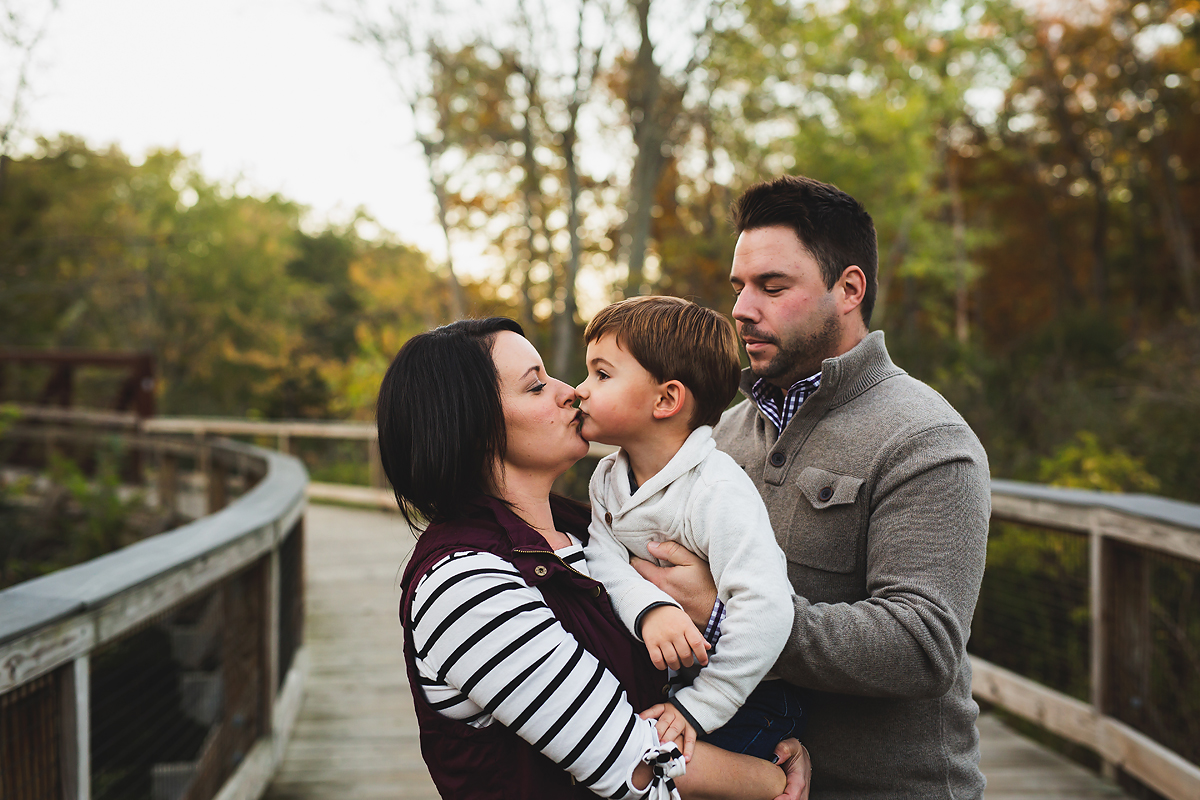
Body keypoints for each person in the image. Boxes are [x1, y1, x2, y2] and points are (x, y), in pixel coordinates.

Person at [631, 175, 991, 799]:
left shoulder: (927, 438)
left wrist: (726, 619)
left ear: (849, 288)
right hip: (744, 780)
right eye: (738, 287)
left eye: (772, 287)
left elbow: (923, 644)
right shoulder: (716, 435)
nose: (742, 308)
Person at [376, 317, 811, 800]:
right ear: (473, 427)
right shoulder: (463, 582)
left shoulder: (593, 526)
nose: (571, 392)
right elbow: (634, 768)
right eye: (536, 386)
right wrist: (771, 777)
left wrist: (762, 734)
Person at [574, 295, 803, 761]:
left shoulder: (716, 490)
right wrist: (652, 609)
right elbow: (603, 559)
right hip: (671, 679)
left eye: (601, 374)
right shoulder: (607, 479)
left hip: (745, 691)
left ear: (666, 399)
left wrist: (702, 705)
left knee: (675, 778)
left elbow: (767, 606)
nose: (580, 389)